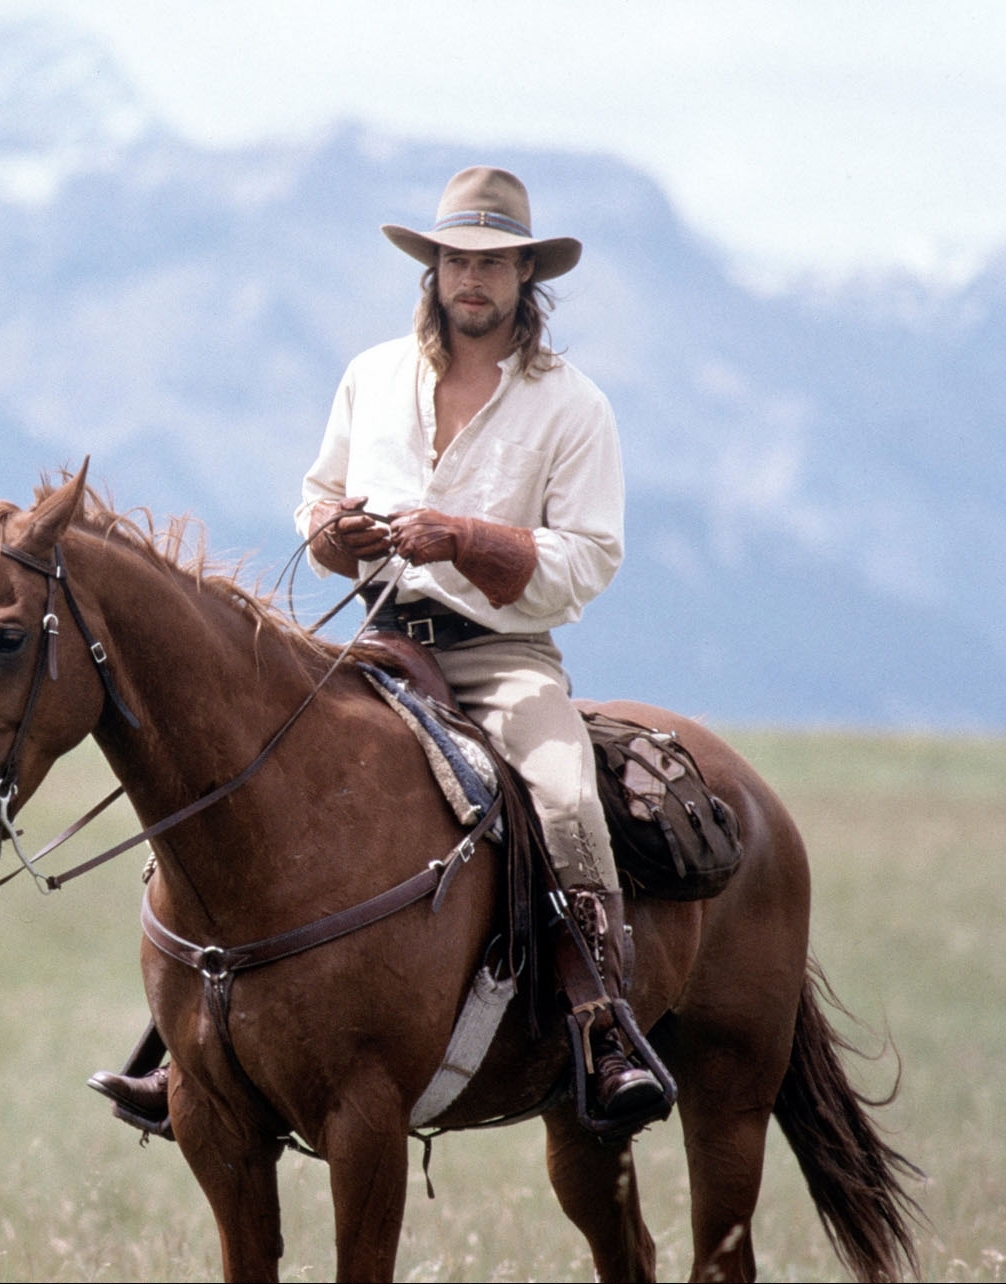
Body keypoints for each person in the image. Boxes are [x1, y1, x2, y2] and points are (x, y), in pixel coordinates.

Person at [90, 165, 670, 1139]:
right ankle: (182, 1040)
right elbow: (315, 499)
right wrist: (335, 537)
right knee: (246, 771)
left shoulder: (573, 407)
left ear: (525, 272)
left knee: (565, 795)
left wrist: (467, 539)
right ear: (431, 266)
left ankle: (599, 1025)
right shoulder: (369, 376)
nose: (469, 277)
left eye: (490, 261)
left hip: (503, 656)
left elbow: (587, 561)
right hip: (378, 640)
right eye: (454, 257)